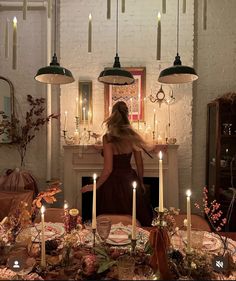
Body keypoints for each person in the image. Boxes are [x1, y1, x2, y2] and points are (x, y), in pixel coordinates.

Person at [81, 101, 153, 226]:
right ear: (127, 115)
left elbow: (108, 169)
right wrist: (140, 181)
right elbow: (139, 163)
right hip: (130, 181)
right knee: (133, 222)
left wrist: (95, 186)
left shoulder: (108, 138)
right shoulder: (132, 136)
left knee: (109, 223)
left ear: (112, 115)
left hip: (111, 184)